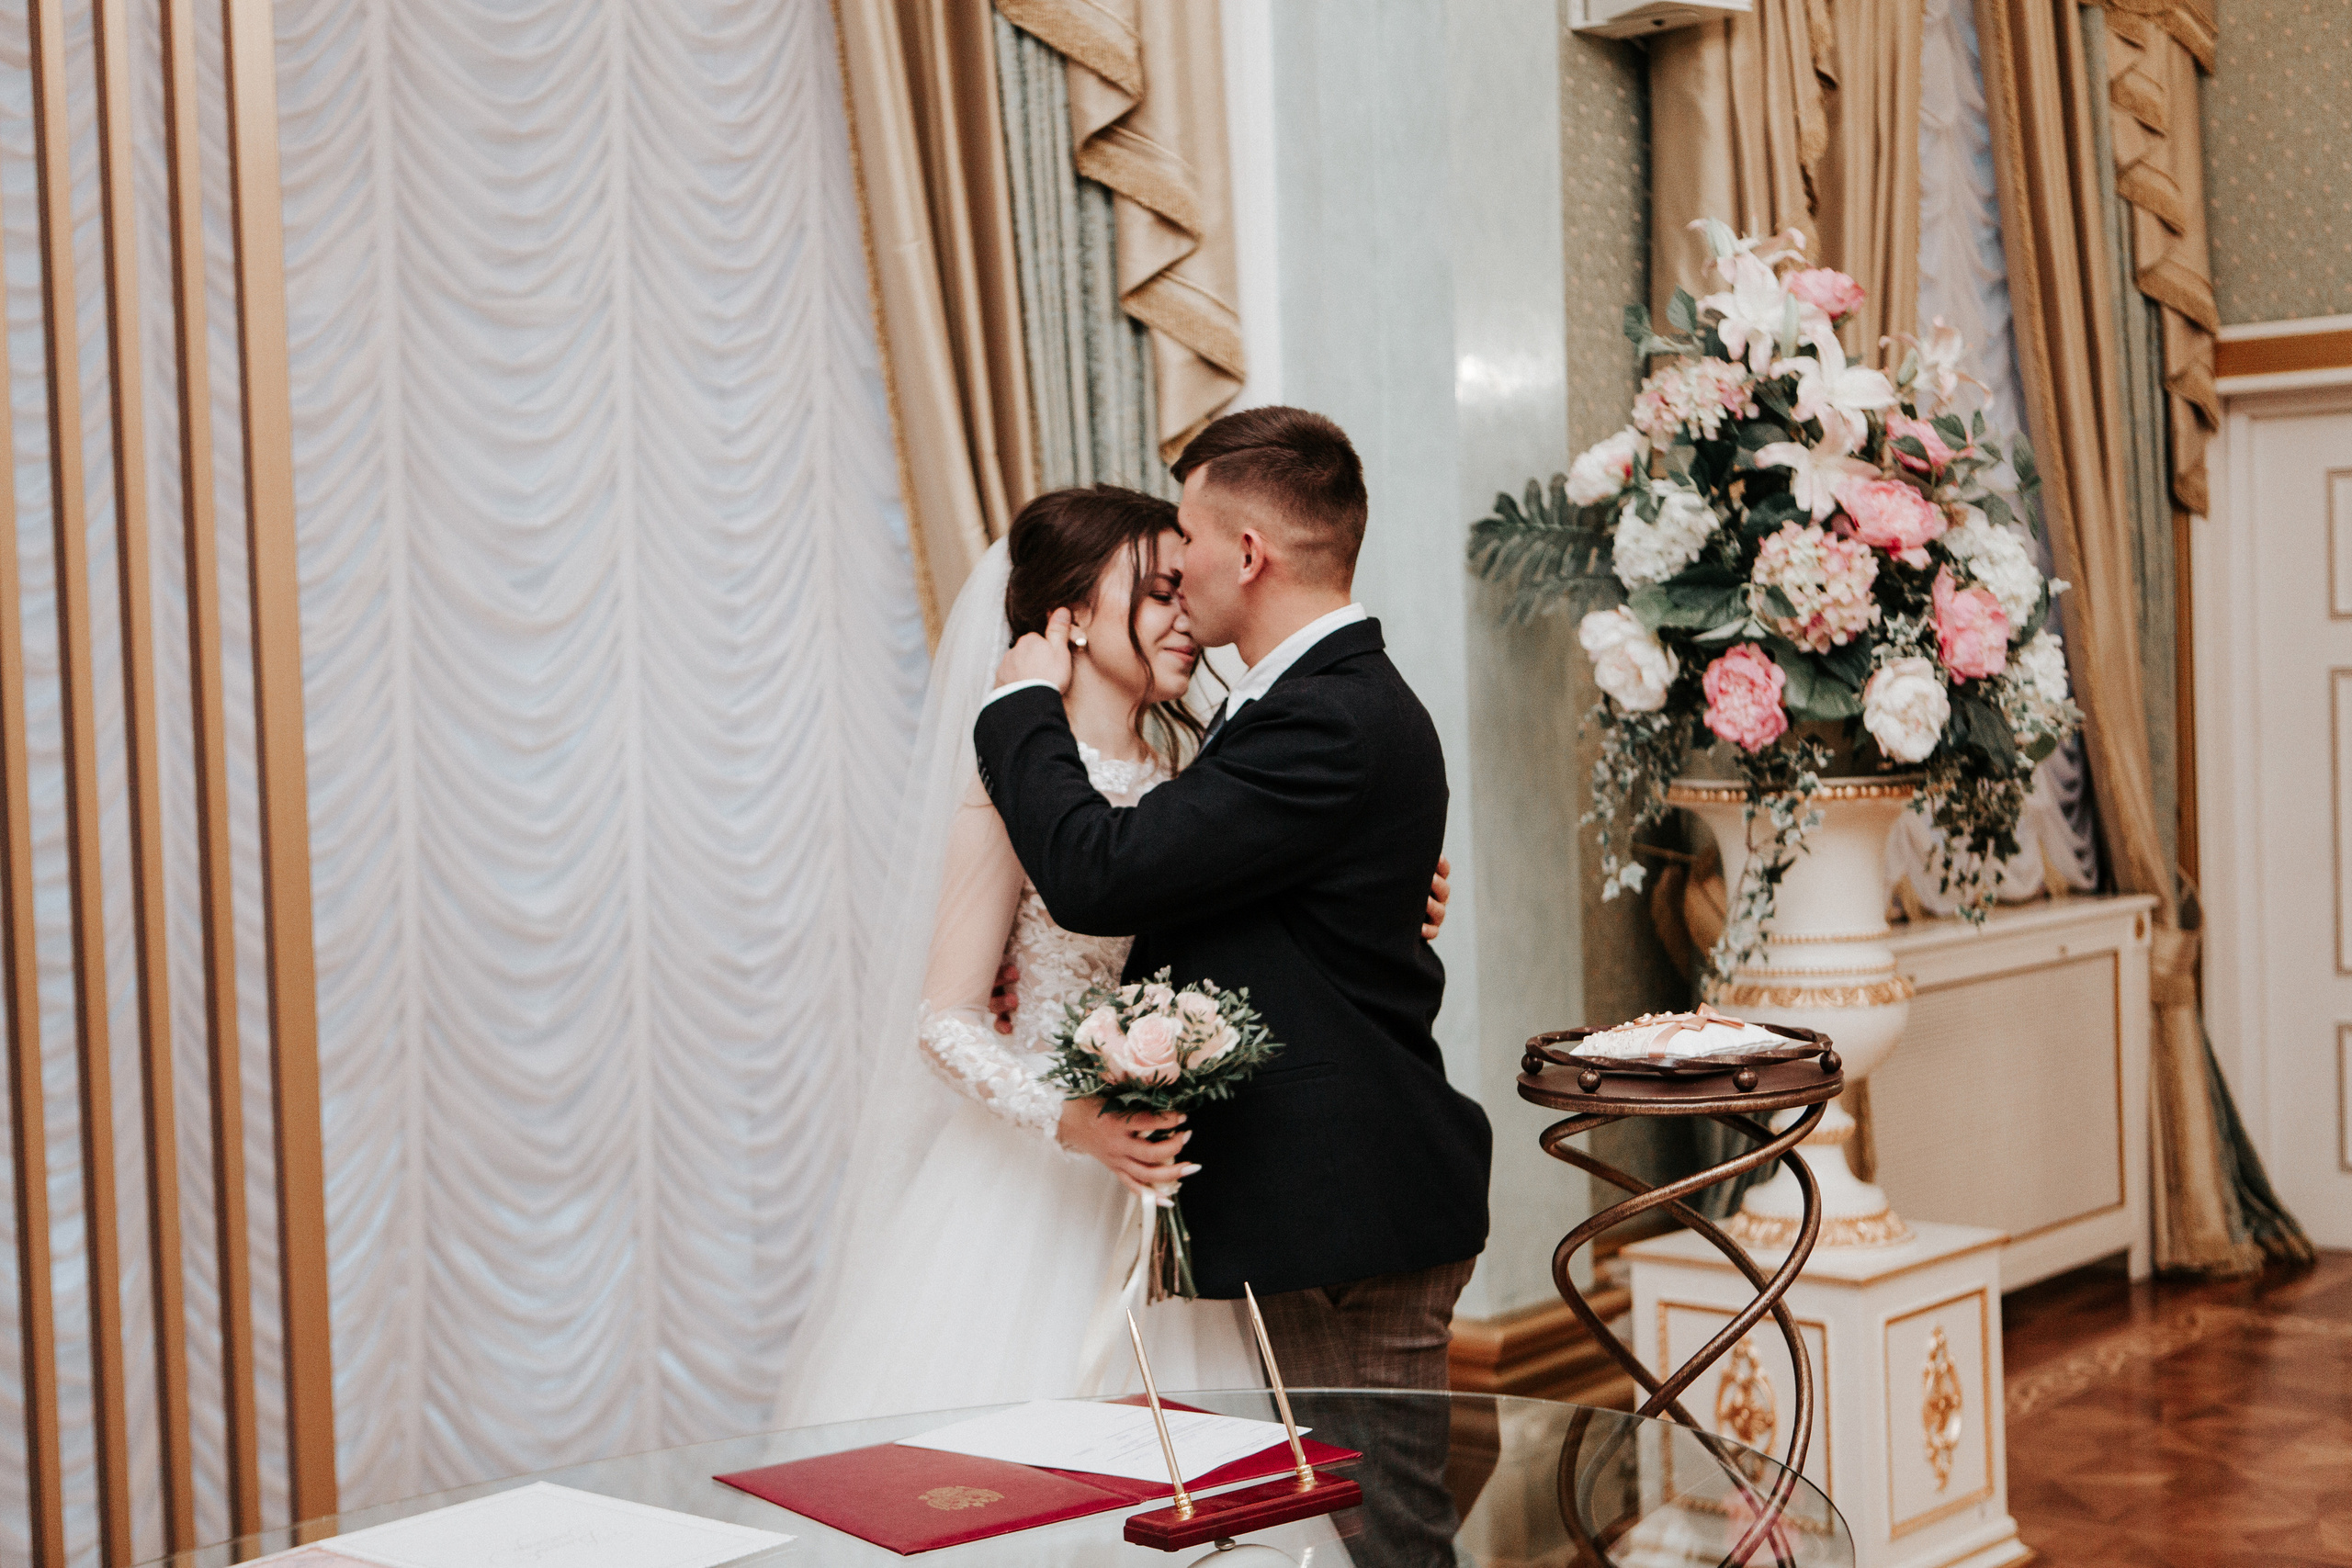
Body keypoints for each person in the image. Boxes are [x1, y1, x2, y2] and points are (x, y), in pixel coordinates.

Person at [775, 482, 1453, 1425]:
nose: (1186, 620)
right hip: (1037, 1186)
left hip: (1191, 1193)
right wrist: (1073, 1120)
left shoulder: (1199, 776)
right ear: (1074, 618)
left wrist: (1385, 884)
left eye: (1185, 590)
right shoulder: (1015, 781)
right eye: (1156, 593)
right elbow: (944, 1018)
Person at [975, 406, 1492, 1393]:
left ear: (1247, 553)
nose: (1181, 574)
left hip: (1339, 1211)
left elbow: (1101, 874)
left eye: (1190, 545)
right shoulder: (1286, 708)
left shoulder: (1322, 715)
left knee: (1376, 1538)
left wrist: (1016, 706)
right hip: (1264, 1206)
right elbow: (1224, 878)